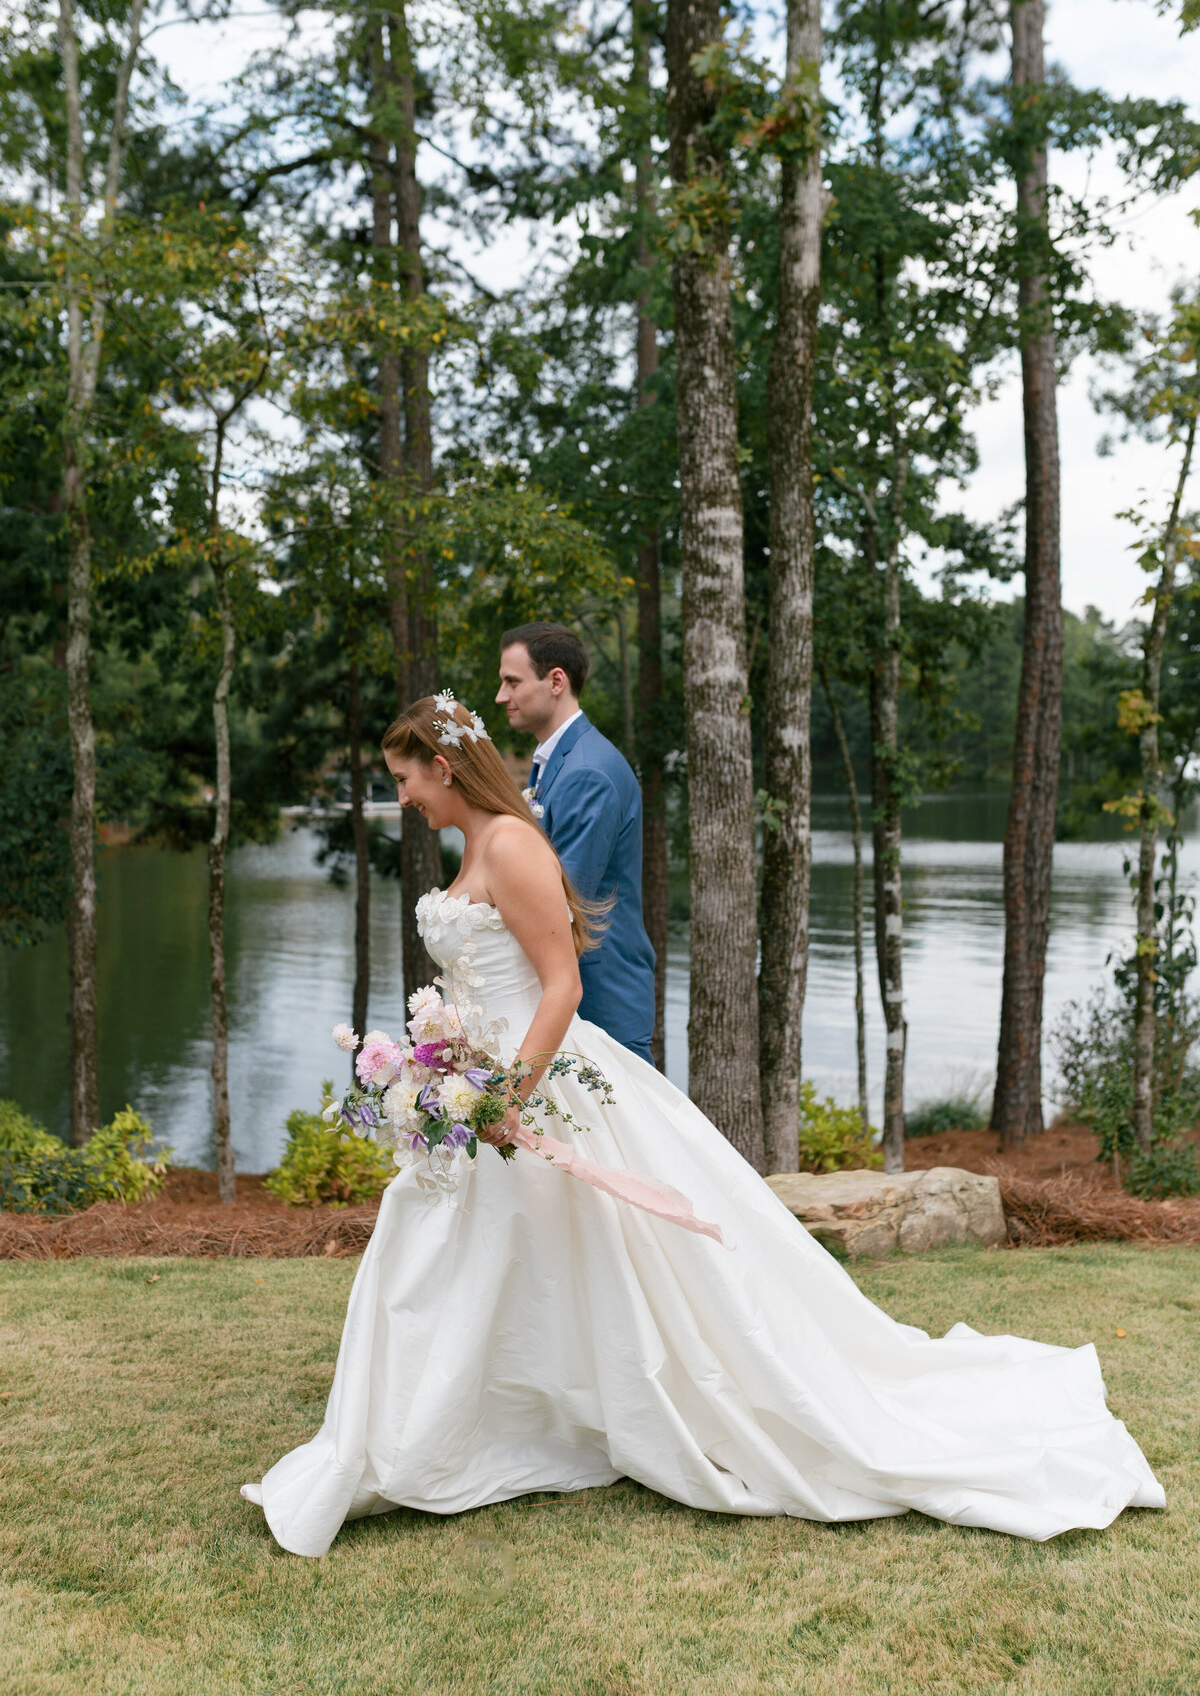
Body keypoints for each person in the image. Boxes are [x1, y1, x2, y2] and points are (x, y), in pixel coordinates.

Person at [241, 693, 1164, 1559]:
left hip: (536, 1083)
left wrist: (508, 1096)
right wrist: (440, 1063)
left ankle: (470, 1431)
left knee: (555, 1255)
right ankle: (456, 1429)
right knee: (458, 1252)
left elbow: (560, 985)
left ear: (442, 767)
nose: (401, 796)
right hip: (482, 1083)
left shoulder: (513, 845)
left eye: (404, 778)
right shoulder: (479, 845)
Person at [496, 622, 656, 1063]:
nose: (501, 696)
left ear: (556, 681)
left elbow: (561, 901)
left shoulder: (587, 772)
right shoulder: (557, 761)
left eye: (512, 682)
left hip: (601, 1000)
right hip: (572, 995)